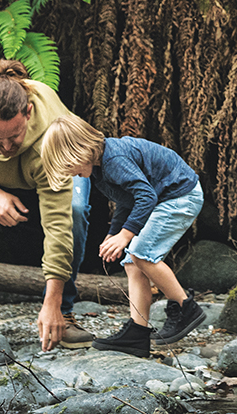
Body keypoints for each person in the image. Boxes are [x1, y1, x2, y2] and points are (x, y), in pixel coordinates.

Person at [0, 59, 96, 351]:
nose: (7, 147)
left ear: (29, 112)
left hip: (50, 166)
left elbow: (58, 224)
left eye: (15, 136)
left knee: (74, 210)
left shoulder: (51, 135)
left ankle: (64, 311)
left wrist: (51, 303)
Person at [40, 116, 207, 357]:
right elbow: (127, 201)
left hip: (180, 196)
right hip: (164, 198)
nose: (74, 175)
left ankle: (185, 307)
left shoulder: (114, 160)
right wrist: (114, 235)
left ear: (79, 152)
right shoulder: (99, 170)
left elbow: (146, 196)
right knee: (131, 263)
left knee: (142, 255)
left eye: (69, 167)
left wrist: (125, 236)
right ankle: (137, 333)